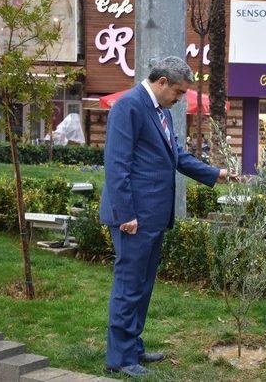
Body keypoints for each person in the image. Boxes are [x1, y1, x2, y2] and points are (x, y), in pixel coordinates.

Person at [99, 56, 232, 377]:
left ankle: (133, 347)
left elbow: (177, 156)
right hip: (134, 218)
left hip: (154, 218)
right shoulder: (128, 107)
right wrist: (125, 213)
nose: (180, 98)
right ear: (161, 83)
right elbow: (117, 165)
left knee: (142, 286)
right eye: (177, 91)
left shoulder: (161, 112)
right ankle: (119, 358)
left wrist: (216, 173)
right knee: (128, 286)